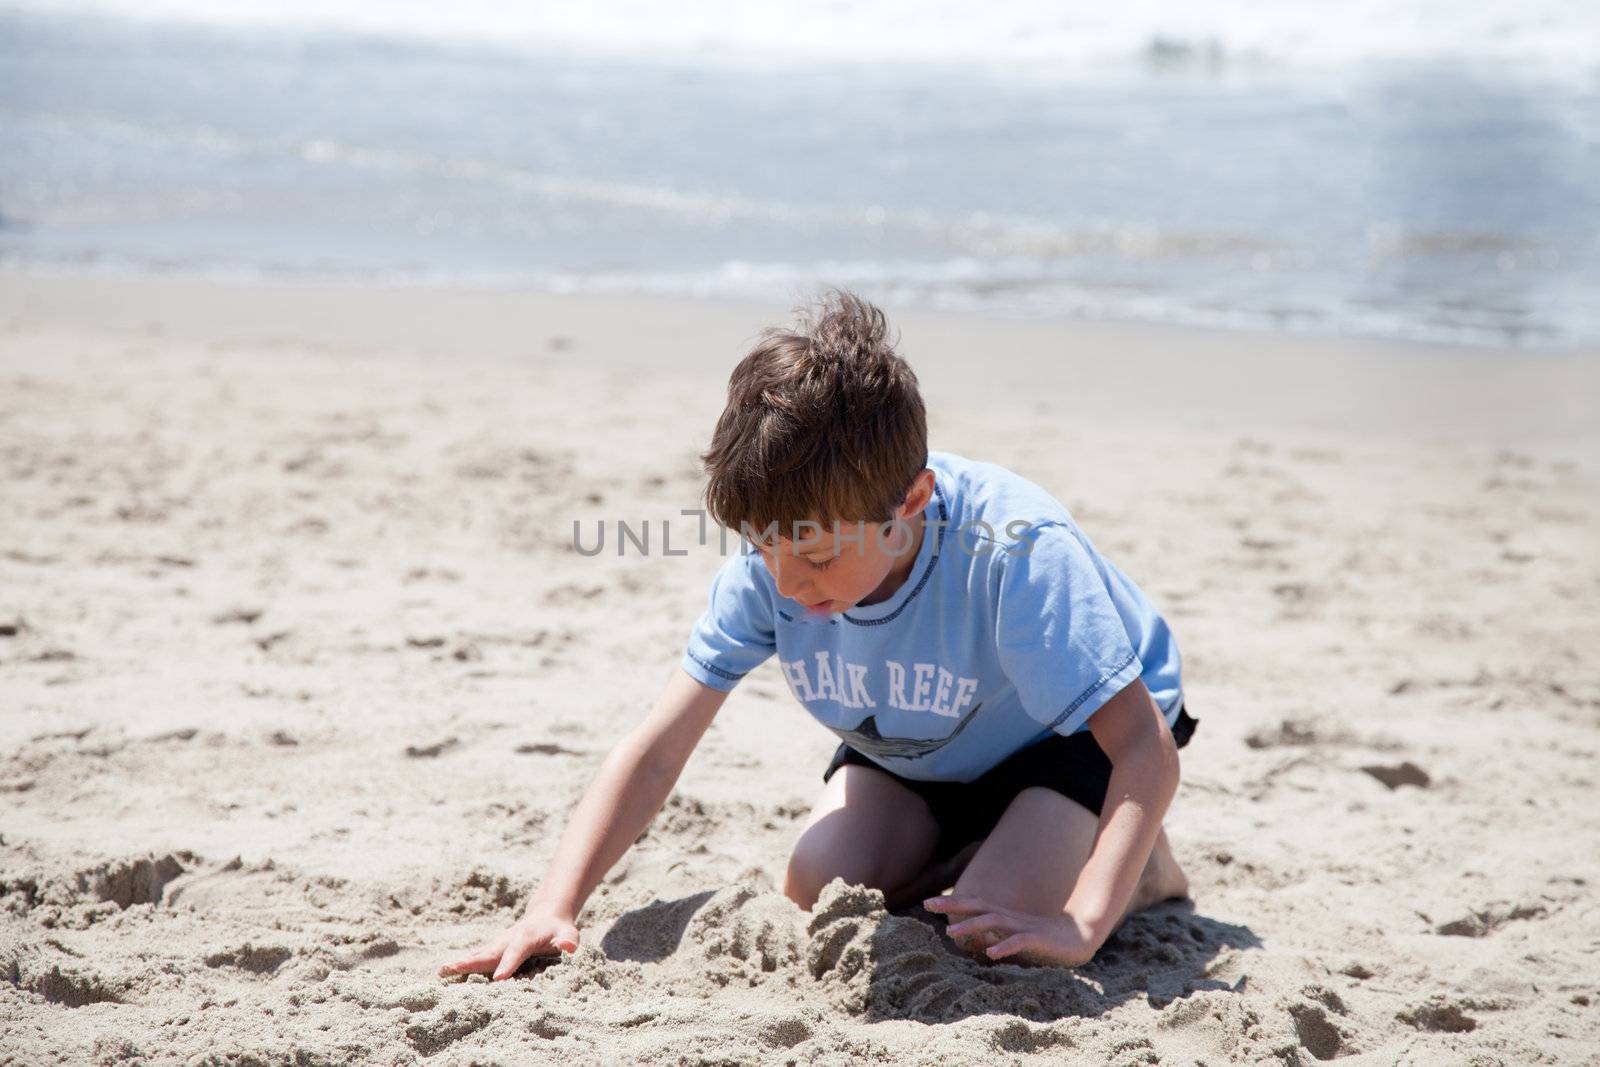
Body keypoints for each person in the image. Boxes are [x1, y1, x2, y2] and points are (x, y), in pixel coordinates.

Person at [438, 289, 1197, 979]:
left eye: (818, 555)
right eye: (767, 548)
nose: (788, 583)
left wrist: (1082, 921)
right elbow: (660, 746)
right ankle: (999, 839)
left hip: (1069, 738)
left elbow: (1141, 743)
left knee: (993, 922)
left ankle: (1144, 867)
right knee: (818, 880)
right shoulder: (774, 566)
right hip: (917, 741)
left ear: (912, 501)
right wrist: (553, 903)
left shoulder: (1015, 551)